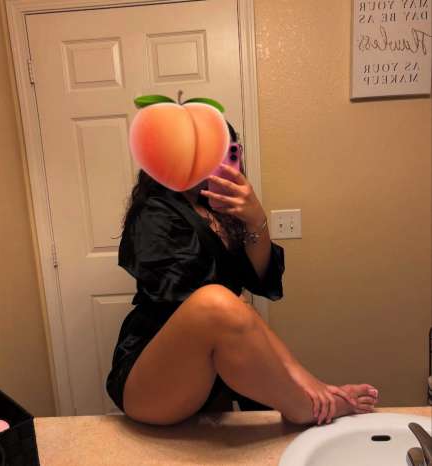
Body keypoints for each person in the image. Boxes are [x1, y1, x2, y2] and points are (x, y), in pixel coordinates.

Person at [106, 122, 379, 426]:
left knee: (227, 303)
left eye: (224, 152)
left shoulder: (216, 208)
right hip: (150, 378)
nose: (214, 162)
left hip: (205, 377)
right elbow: (210, 303)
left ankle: (307, 398)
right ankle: (305, 406)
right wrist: (303, 378)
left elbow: (258, 280)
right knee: (215, 300)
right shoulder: (153, 211)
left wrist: (255, 218)